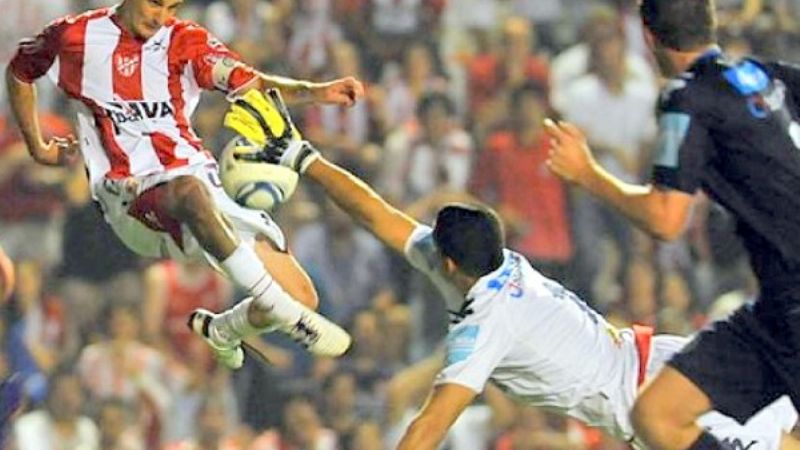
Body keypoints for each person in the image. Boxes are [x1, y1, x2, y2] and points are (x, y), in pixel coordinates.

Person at [222, 89, 800, 450]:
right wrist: (304, 157)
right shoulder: (497, 262)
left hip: (643, 400)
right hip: (659, 360)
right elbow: (380, 215)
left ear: (446, 263)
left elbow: (429, 425)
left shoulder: (483, 323)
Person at [5, 0, 364, 369]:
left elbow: (249, 81)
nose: (161, 16)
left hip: (198, 179)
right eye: (156, 3)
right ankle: (278, 306)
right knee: (189, 192)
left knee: (303, 295)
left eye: (171, 7)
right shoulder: (74, 36)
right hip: (127, 192)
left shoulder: (185, 41)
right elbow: (19, 71)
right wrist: (37, 145)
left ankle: (224, 329)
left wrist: (316, 91)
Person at [544, 0, 800, 449]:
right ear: (711, 22)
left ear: (647, 37)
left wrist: (588, 175)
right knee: (656, 414)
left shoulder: (687, 97)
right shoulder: (767, 75)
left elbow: (665, 219)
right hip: (776, 310)